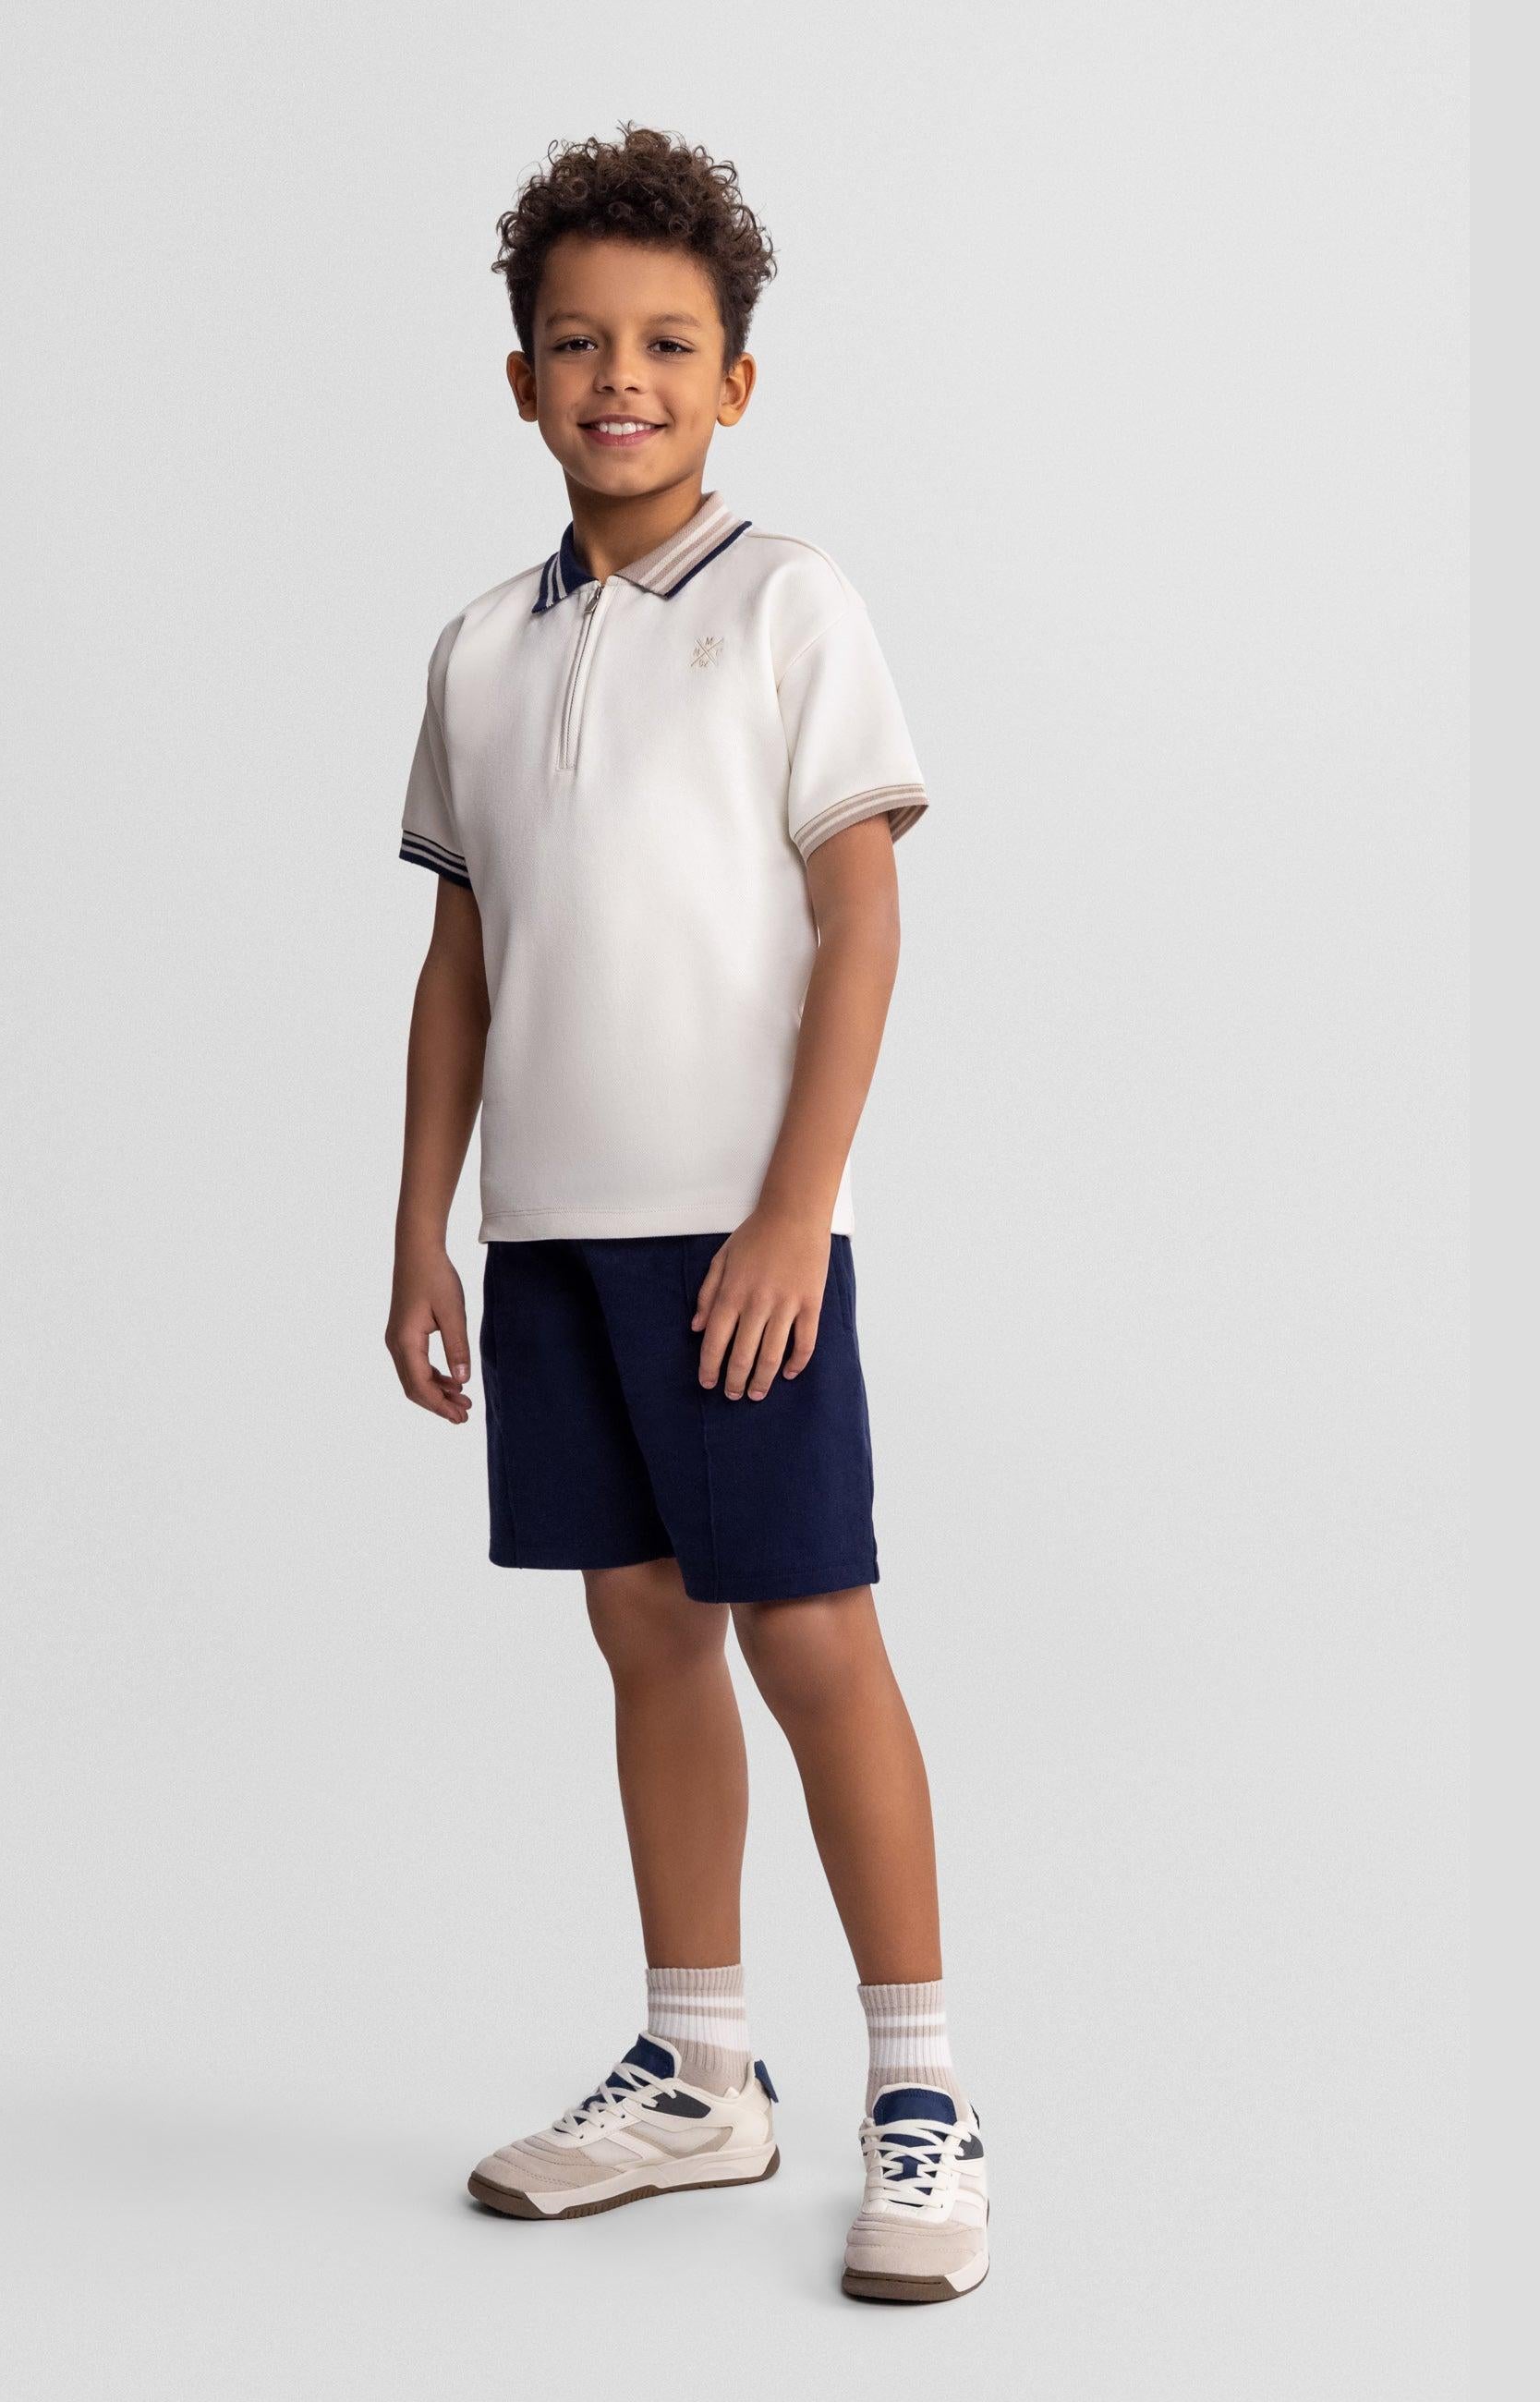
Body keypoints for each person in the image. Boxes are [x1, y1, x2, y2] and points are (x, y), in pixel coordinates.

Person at [383, 127, 987, 2305]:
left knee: (810, 1635)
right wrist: (422, 1228)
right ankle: (700, 2068)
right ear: (521, 378)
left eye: (663, 344)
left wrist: (791, 1213)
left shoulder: (787, 603)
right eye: (576, 344)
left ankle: (919, 2093)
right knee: (640, 1627)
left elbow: (862, 918)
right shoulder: (478, 649)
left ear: (734, 379)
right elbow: (462, 961)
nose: (616, 378)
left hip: (742, 1237)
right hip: (551, 1239)